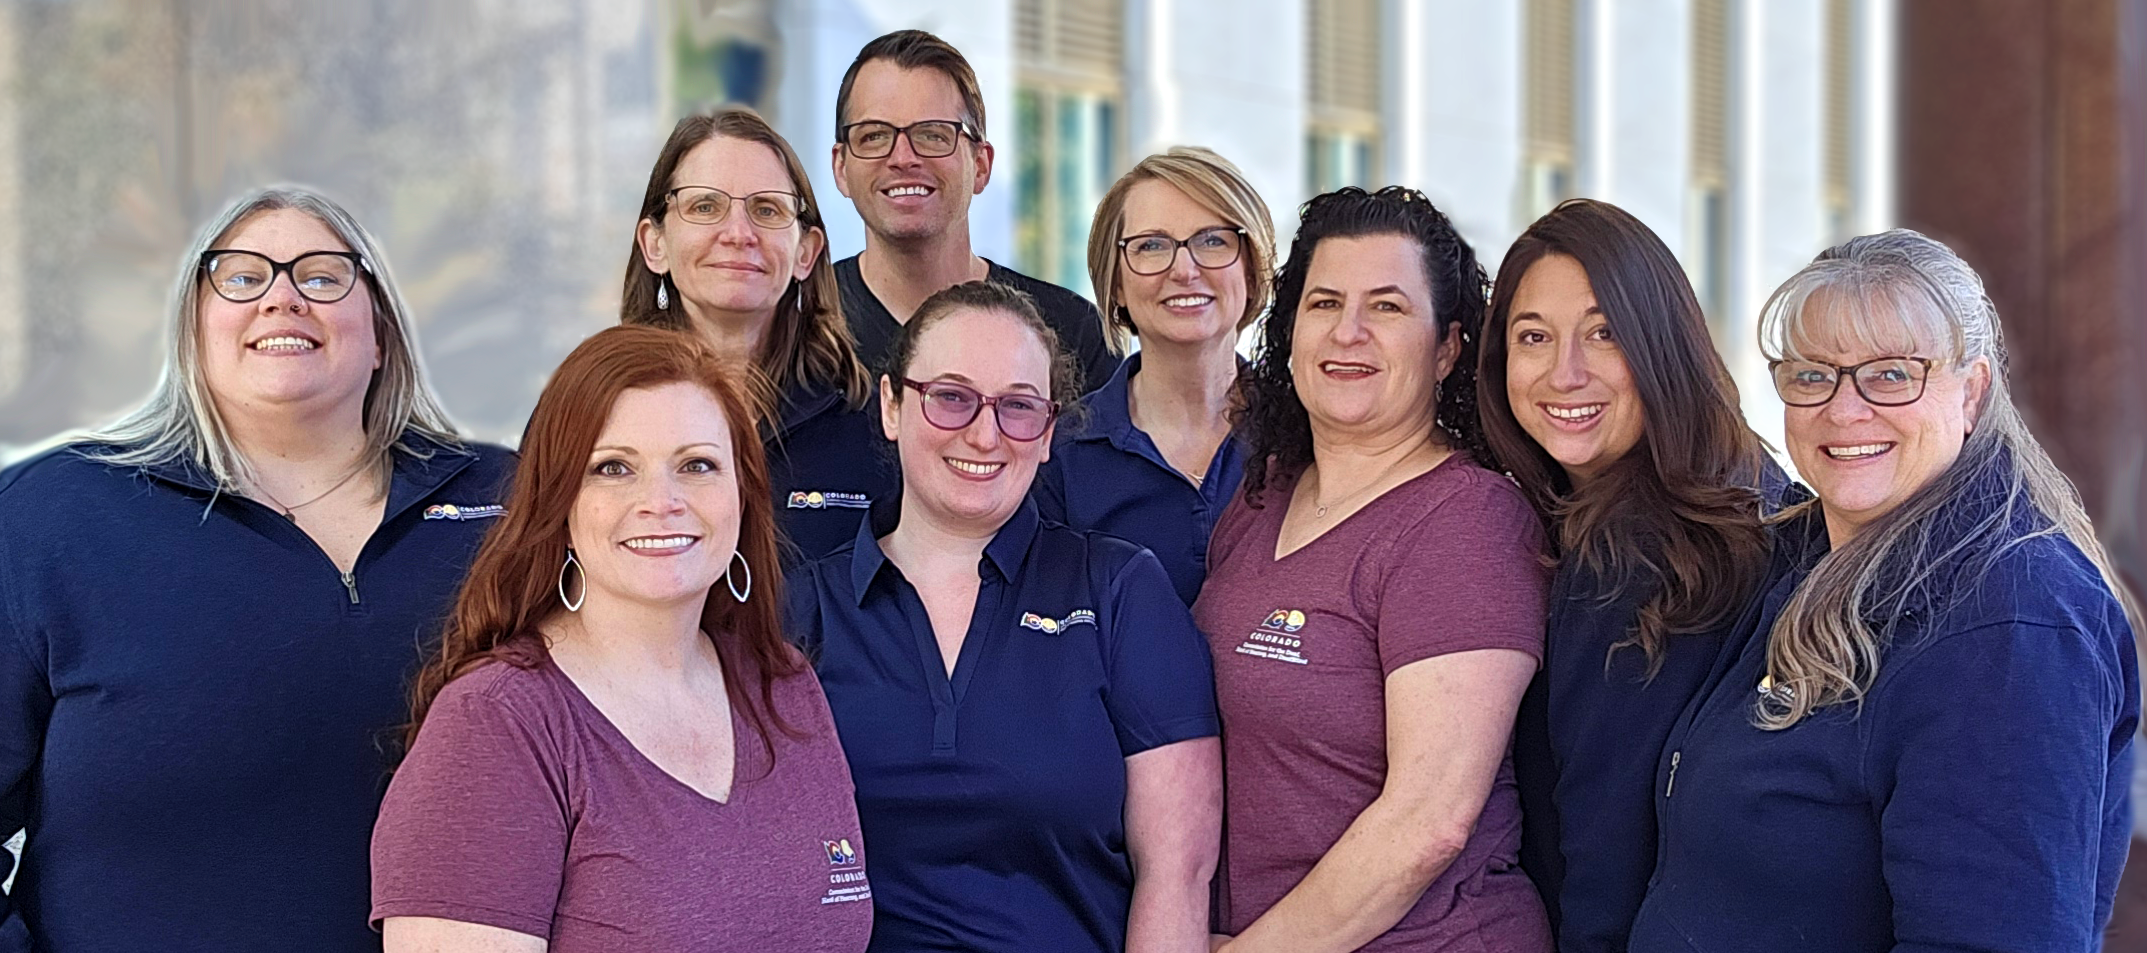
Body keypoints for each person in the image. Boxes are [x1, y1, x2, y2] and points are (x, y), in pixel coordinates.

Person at [0, 187, 514, 952]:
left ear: (380, 334)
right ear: (193, 330)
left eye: (323, 275)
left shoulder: (513, 500)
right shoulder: (55, 512)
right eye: (241, 277)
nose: (282, 297)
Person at [1628, 229, 2140, 950]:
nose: (1843, 410)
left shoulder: (2007, 621)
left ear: (1971, 392)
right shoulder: (1806, 551)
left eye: (1892, 373)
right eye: (1811, 375)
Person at [372, 326, 871, 952]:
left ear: (743, 495)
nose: (661, 501)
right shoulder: (497, 724)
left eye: (697, 465)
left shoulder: (783, 686)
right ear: (559, 504)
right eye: (613, 468)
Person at [787, 281, 1221, 952]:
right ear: (892, 406)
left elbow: (1179, 875)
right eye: (951, 397)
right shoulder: (803, 612)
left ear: (1047, 432)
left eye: (1017, 406)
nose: (984, 434)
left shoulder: (1118, 590)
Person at [1196, 186, 1551, 952]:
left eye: (1387, 307)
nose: (1348, 331)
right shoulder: (1262, 501)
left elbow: (1427, 821)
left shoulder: (1467, 522)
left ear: (1447, 348)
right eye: (1323, 303)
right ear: (1288, 336)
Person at [1475, 198, 1802, 952]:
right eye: (1533, 337)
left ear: (1660, 343)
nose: (1565, 372)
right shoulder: (1743, 483)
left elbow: (1606, 837)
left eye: (1604, 333)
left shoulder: (1632, 550)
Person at [624, 106, 892, 562]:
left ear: (806, 252)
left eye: (766, 209)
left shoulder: (874, 427)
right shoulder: (592, 413)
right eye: (704, 206)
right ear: (655, 244)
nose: (738, 233)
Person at [1033, 147, 1275, 605]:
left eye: (1213, 240)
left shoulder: (1311, 433)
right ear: (1116, 284)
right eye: (1151, 246)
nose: (1185, 270)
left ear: (1251, 266)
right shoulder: (1059, 455)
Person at [829, 29, 1116, 394]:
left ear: (980, 165)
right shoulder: (793, 328)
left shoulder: (1071, 334)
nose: (903, 158)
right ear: (841, 168)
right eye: (874, 136)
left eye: (933, 135)